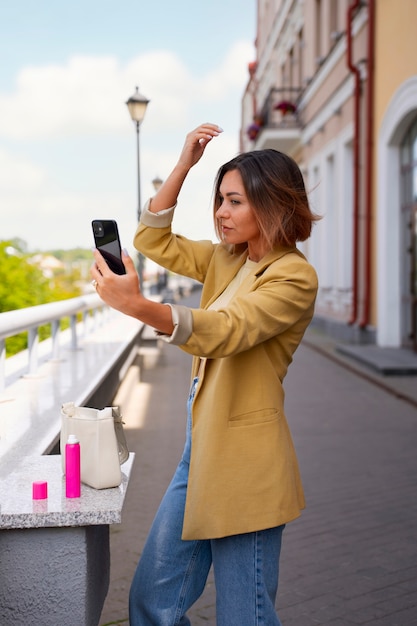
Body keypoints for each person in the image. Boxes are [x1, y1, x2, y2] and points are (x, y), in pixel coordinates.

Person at [91, 123, 319, 626]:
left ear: (274, 203)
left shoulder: (294, 276)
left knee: (246, 615)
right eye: (220, 200)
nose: (221, 213)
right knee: (152, 602)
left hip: (247, 465)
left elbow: (228, 330)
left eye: (235, 201)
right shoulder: (228, 258)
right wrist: (183, 167)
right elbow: (152, 238)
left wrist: (139, 306)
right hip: (199, 453)